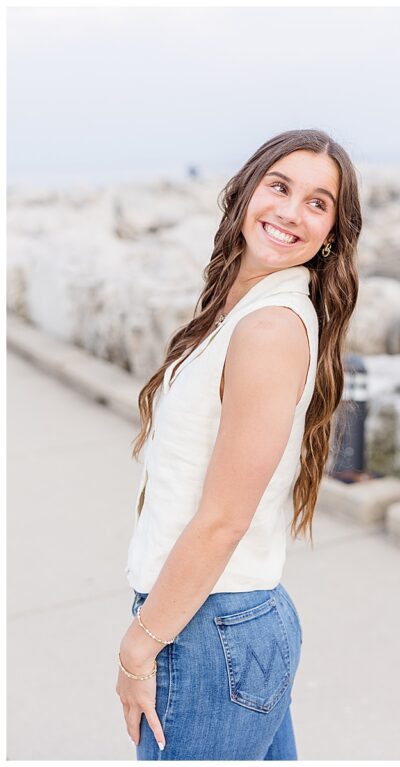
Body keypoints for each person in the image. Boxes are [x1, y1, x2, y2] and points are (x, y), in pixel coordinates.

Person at [115, 129, 361, 760]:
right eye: (279, 186)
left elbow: (225, 518)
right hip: (225, 627)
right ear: (247, 190)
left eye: (317, 202)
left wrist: (140, 645)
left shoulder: (270, 327)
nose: (289, 211)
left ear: (331, 232)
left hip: (206, 633)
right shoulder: (243, 307)